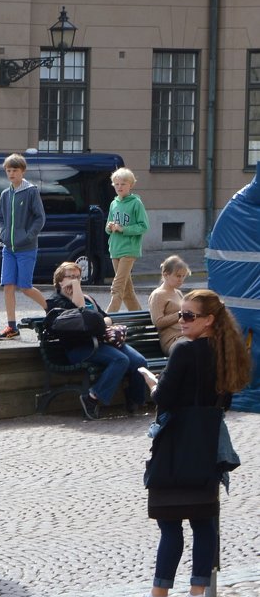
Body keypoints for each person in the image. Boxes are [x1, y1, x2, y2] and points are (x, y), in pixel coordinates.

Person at [119, 289, 251, 597]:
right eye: (180, 314)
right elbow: (227, 401)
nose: (181, 320)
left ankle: (159, 595)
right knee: (203, 520)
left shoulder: (184, 351)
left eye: (189, 315)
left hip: (177, 442)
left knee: (169, 520)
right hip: (208, 443)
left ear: (208, 321)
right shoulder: (227, 352)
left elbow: (164, 397)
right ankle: (196, 594)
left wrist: (151, 380)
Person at [46, 261, 149, 420]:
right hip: (80, 348)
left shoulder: (87, 298)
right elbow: (78, 315)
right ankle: (92, 398)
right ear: (60, 281)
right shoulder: (56, 302)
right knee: (120, 360)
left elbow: (105, 318)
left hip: (104, 341)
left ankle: (135, 399)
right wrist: (97, 321)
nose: (75, 281)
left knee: (139, 361)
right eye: (71, 277)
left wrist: (102, 322)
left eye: (78, 277)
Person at [0, 153, 48, 340]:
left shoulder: (31, 191)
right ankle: (11, 327)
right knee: (8, 286)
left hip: (27, 248)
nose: (11, 173)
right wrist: (4, 234)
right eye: (8, 170)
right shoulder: (5, 194)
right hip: (8, 248)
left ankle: (52, 309)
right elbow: (0, 218)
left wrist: (27, 236)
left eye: (14, 170)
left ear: (22, 171)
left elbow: (40, 218)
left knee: (25, 287)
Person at [105, 167, 149, 313]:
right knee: (126, 290)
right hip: (115, 249)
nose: (119, 187)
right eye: (116, 184)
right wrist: (110, 227)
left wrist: (123, 229)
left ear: (131, 185)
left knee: (117, 287)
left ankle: (107, 318)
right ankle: (140, 317)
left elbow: (143, 226)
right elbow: (108, 226)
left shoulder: (136, 203)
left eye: (123, 184)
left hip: (129, 250)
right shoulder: (113, 203)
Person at [148, 255, 191, 355]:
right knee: (190, 349)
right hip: (173, 340)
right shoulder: (158, 295)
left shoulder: (178, 293)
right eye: (178, 276)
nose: (181, 279)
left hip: (186, 336)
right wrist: (180, 314)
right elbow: (158, 322)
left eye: (183, 276)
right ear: (166, 275)